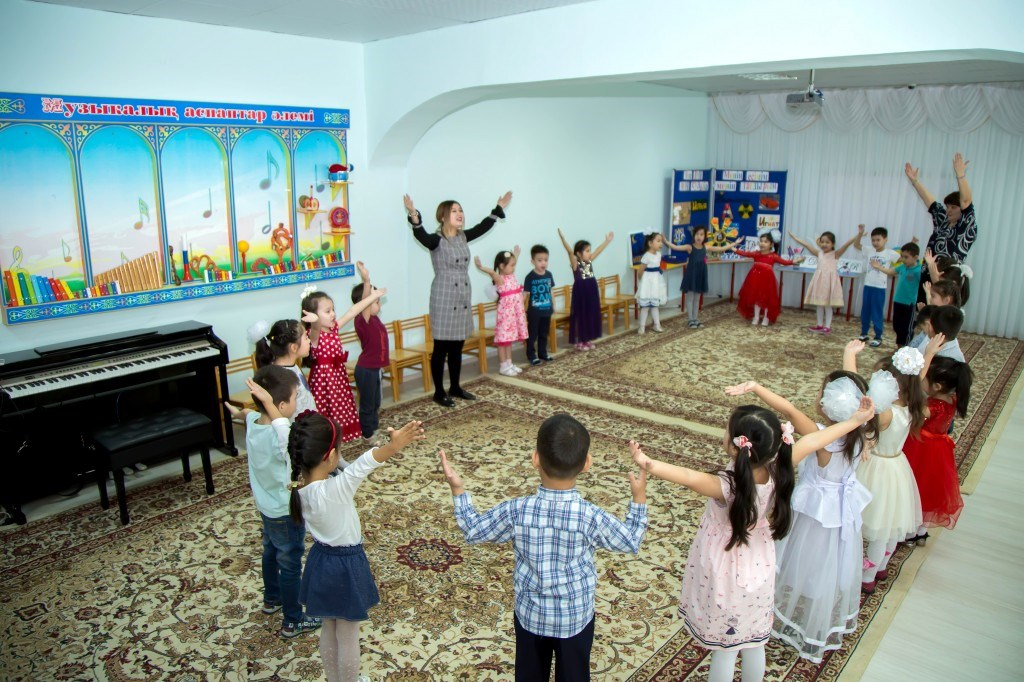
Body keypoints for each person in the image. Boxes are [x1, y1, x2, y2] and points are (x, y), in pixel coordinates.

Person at [630, 402, 873, 682]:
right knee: (754, 642)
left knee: (725, 650)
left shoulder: (726, 485)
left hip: (725, 566)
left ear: (737, 446)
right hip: (759, 562)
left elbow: (688, 477)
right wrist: (855, 420)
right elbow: (815, 440)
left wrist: (648, 463)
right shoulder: (780, 465)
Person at [440, 413, 648, 682]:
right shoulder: (590, 516)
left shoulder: (517, 511)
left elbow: (473, 529)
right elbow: (631, 540)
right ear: (587, 464)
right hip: (574, 617)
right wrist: (638, 496)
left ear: (535, 458)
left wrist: (458, 488)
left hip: (531, 615)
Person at [725, 374, 877, 664]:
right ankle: (815, 623)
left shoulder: (824, 439)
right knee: (827, 568)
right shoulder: (860, 433)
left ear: (827, 403)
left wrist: (756, 387)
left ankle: (773, 615)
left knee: (796, 563)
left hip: (814, 515)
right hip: (841, 515)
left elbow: (789, 410)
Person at [289, 412, 425, 682]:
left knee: (329, 627)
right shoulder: (336, 489)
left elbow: (354, 466)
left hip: (320, 561)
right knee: (348, 634)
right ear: (330, 456)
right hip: (345, 566)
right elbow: (363, 464)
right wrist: (394, 445)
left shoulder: (299, 492)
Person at [405, 191, 513, 407]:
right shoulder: (436, 240)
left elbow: (482, 227)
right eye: (454, 211)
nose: (459, 213)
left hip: (462, 294)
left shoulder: (463, 236)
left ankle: (455, 386)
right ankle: (439, 392)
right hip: (443, 296)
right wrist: (413, 214)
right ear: (443, 216)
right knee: (441, 347)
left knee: (457, 346)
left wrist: (498, 208)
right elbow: (420, 234)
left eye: (460, 210)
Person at [241, 366, 322, 638]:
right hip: (285, 510)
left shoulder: (253, 423)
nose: (298, 402)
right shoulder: (281, 434)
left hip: (265, 506)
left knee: (270, 551)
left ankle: (271, 598)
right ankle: (293, 620)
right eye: (296, 397)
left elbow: (248, 414)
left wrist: (250, 409)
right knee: (289, 563)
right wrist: (268, 403)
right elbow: (282, 428)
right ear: (282, 405)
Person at [843, 342, 928, 594]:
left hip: (876, 468)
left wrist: (849, 356)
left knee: (877, 525)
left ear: (892, 385)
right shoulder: (915, 408)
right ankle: (879, 568)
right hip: (897, 467)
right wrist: (929, 355)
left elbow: (858, 397)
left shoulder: (886, 413)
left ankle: (867, 577)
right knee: (890, 523)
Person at [301, 285, 387, 443]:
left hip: (338, 378)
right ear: (313, 315)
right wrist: (315, 323)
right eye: (327, 311)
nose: (333, 314)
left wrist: (372, 296)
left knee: (340, 410)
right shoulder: (313, 334)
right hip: (324, 382)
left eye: (333, 310)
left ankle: (338, 443)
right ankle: (328, 443)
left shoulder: (334, 329)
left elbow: (353, 311)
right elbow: (315, 331)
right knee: (326, 412)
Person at [903, 350, 972, 544]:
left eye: (926, 378)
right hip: (940, 450)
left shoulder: (933, 406)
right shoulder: (952, 399)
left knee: (917, 487)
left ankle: (910, 533)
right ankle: (921, 532)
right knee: (929, 490)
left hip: (922, 449)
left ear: (937, 386)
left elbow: (915, 410)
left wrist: (912, 392)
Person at [904, 152, 978, 303]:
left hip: (947, 278)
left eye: (953, 207)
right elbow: (930, 201)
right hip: (928, 274)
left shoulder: (966, 225)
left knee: (940, 313)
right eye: (947, 206)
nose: (948, 210)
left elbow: (966, 201)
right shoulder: (943, 220)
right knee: (923, 309)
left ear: (962, 210)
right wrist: (915, 181)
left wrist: (960, 175)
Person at [789, 226, 865, 334]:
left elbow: (847, 244)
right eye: (822, 242)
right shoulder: (819, 253)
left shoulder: (835, 254)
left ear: (833, 244)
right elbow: (806, 245)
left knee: (828, 306)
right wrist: (795, 237)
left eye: (827, 242)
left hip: (829, 283)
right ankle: (819, 325)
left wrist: (859, 234)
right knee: (819, 305)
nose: (824, 244)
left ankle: (827, 327)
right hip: (819, 282)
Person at [667, 225, 741, 328]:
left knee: (697, 298)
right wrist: (665, 241)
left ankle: (696, 319)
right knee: (690, 297)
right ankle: (690, 319)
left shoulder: (706, 247)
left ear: (705, 236)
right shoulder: (689, 247)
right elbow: (675, 247)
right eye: (697, 234)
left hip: (700, 274)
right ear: (694, 235)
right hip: (691, 275)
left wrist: (735, 243)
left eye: (701, 234)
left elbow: (722, 248)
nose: (699, 237)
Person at [475, 247, 529, 376]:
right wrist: (481, 267)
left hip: (514, 315)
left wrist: (515, 254)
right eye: (512, 265)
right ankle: (503, 366)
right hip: (506, 316)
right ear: (501, 266)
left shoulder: (511, 276)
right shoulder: (500, 279)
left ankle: (509, 364)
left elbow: (511, 262)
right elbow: (492, 273)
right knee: (503, 341)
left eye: (514, 265)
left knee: (508, 340)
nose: (514, 267)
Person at [557, 228, 614, 350]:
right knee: (581, 315)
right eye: (587, 251)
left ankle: (587, 339)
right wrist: (563, 239)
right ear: (579, 253)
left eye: (589, 251)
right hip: (581, 292)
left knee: (589, 314)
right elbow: (570, 251)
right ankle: (580, 340)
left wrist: (607, 241)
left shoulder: (589, 262)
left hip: (591, 289)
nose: (589, 253)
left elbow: (599, 250)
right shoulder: (575, 264)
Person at [351, 261, 389, 442]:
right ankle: (367, 434)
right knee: (367, 404)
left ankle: (373, 428)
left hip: (374, 368)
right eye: (375, 301)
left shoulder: (375, 320)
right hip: (366, 370)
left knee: (375, 402)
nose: (378, 304)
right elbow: (365, 303)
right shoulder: (362, 319)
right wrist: (366, 281)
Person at [734, 230, 801, 327]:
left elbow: (784, 262)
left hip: (767, 281)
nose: (762, 243)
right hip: (754, 279)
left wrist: (794, 261)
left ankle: (766, 317)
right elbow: (745, 253)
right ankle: (756, 317)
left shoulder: (773, 256)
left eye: (765, 242)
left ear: (771, 244)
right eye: (761, 241)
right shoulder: (756, 254)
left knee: (766, 299)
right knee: (756, 298)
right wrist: (733, 248)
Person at [251, 318, 316, 417]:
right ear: (294, 347)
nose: (309, 341)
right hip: (298, 425)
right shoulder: (281, 377)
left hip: (310, 420)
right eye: (306, 338)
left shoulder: (291, 366)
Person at [856, 227, 900, 347]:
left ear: (885, 239)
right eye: (873, 240)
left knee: (877, 312)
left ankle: (878, 336)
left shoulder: (890, 253)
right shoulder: (869, 250)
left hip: (880, 288)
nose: (875, 242)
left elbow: (903, 262)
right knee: (865, 311)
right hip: (868, 286)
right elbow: (856, 245)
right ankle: (864, 333)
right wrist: (860, 234)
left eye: (878, 240)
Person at [871, 242, 922, 347]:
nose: (903, 259)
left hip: (909, 304)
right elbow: (891, 272)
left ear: (915, 257)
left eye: (906, 257)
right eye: (902, 256)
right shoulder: (903, 267)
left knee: (907, 328)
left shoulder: (919, 270)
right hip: (898, 301)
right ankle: (899, 347)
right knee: (897, 326)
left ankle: (905, 349)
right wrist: (879, 267)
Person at [523, 244, 555, 365]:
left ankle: (543, 353)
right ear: (533, 261)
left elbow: (551, 291)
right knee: (532, 334)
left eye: (546, 260)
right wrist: (520, 309)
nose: (543, 263)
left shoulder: (549, 275)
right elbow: (525, 294)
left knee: (544, 333)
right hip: (534, 312)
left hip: (547, 310)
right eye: (540, 260)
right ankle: (531, 355)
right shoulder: (530, 277)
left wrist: (554, 305)